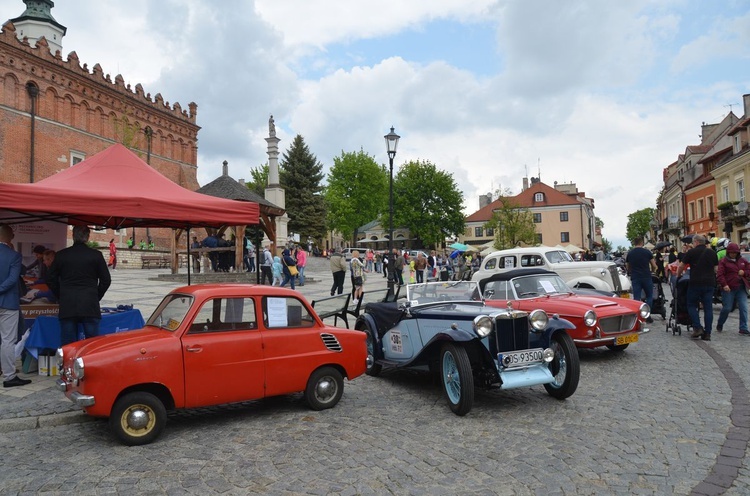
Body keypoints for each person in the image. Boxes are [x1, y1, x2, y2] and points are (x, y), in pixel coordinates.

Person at [47, 225, 112, 346]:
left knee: (68, 346)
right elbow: (106, 280)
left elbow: (50, 278)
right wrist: (96, 296)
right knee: (92, 345)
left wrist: (60, 294)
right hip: (89, 304)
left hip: (68, 303)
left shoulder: (61, 255)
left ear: (73, 236)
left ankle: (68, 365)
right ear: (87, 237)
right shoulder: (95, 255)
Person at [0, 224, 31, 387]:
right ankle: (9, 376)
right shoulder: (14, 256)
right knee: (7, 340)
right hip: (8, 303)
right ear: (9, 236)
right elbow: (12, 280)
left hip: (7, 303)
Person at [676, 234, 719, 341]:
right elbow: (716, 269)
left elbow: (681, 266)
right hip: (709, 283)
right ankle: (708, 333)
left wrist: (678, 275)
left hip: (695, 283)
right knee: (708, 308)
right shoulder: (712, 253)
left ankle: (697, 327)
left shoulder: (691, 252)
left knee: (691, 304)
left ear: (696, 242)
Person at [716, 242, 750, 336]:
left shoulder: (742, 260)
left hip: (741, 287)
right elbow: (720, 274)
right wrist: (724, 284)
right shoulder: (723, 261)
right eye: (731, 252)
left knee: (743, 307)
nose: (733, 254)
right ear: (728, 252)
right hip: (729, 288)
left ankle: (743, 328)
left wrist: (744, 272)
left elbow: (749, 270)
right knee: (727, 308)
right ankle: (720, 322)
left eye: (735, 252)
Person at [625, 237, 657, 323]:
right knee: (649, 296)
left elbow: (628, 266)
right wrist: (653, 271)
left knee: (636, 297)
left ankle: (637, 316)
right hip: (646, 276)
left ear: (634, 243)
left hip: (635, 277)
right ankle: (647, 314)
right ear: (642, 243)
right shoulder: (647, 252)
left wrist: (630, 271)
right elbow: (654, 265)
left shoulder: (630, 253)